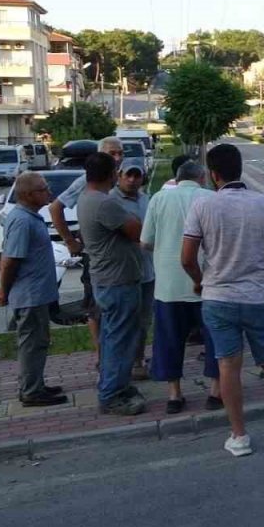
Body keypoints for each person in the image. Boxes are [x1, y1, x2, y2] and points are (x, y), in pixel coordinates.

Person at [182, 143, 264, 457]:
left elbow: (186, 258)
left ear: (213, 174)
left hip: (218, 298)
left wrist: (200, 281)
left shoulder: (203, 207)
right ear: (240, 169)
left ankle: (239, 436)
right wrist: (255, 263)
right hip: (256, 298)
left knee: (228, 367)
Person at [142, 160, 220, 415]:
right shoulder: (211, 199)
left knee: (169, 340)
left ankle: (174, 395)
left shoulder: (159, 199)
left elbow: (146, 242)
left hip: (168, 285)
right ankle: (215, 392)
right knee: (214, 339)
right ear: (201, 178)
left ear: (176, 179)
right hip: (207, 282)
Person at [77, 153, 146, 416]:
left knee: (111, 337)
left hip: (106, 279)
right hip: (118, 281)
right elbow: (137, 230)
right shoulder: (104, 204)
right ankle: (111, 394)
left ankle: (115, 384)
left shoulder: (86, 198)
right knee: (120, 340)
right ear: (113, 174)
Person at [0, 173, 67, 406]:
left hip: (38, 293)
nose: (49, 193)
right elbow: (10, 259)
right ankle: (31, 391)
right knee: (31, 343)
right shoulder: (22, 220)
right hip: (30, 295)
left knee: (39, 341)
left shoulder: (31, 217)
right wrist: (3, 290)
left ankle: (35, 384)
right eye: (43, 190)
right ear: (27, 194)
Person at [50, 136, 125, 365]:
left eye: (121, 153)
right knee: (95, 307)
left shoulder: (124, 177)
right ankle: (102, 356)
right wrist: (70, 241)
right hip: (97, 255)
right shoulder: (87, 181)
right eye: (112, 153)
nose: (118, 158)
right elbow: (56, 208)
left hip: (119, 257)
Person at [114, 163, 155, 381]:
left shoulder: (146, 199)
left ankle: (138, 360)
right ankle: (117, 364)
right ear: (119, 176)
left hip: (147, 269)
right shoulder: (110, 200)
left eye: (136, 175)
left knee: (143, 320)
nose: (132, 179)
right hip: (123, 271)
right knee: (122, 320)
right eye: (128, 175)